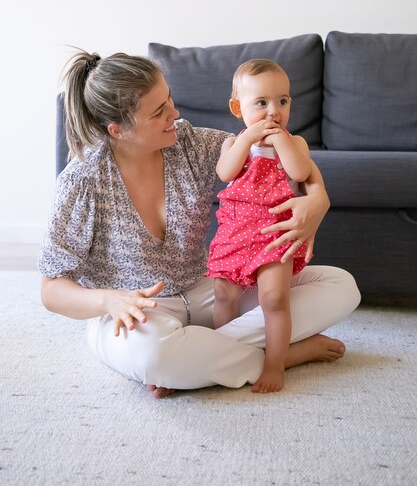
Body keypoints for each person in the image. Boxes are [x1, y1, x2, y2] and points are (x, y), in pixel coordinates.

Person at [39, 50, 361, 399]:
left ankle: (197, 362)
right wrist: (109, 302)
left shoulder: (188, 143)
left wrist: (318, 198)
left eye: (170, 99)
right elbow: (51, 290)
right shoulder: (83, 181)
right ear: (118, 130)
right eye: (159, 111)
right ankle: (280, 357)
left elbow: (270, 153)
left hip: (204, 294)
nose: (175, 114)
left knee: (340, 286)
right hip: (137, 314)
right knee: (153, 353)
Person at [207, 59, 314, 393]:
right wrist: (246, 140)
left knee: (274, 299)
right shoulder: (232, 144)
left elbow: (299, 173)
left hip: (274, 234)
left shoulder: (294, 143)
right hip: (235, 233)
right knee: (223, 294)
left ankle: (274, 364)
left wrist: (280, 139)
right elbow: (225, 173)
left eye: (282, 101)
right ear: (238, 108)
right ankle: (223, 353)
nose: (273, 112)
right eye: (262, 103)